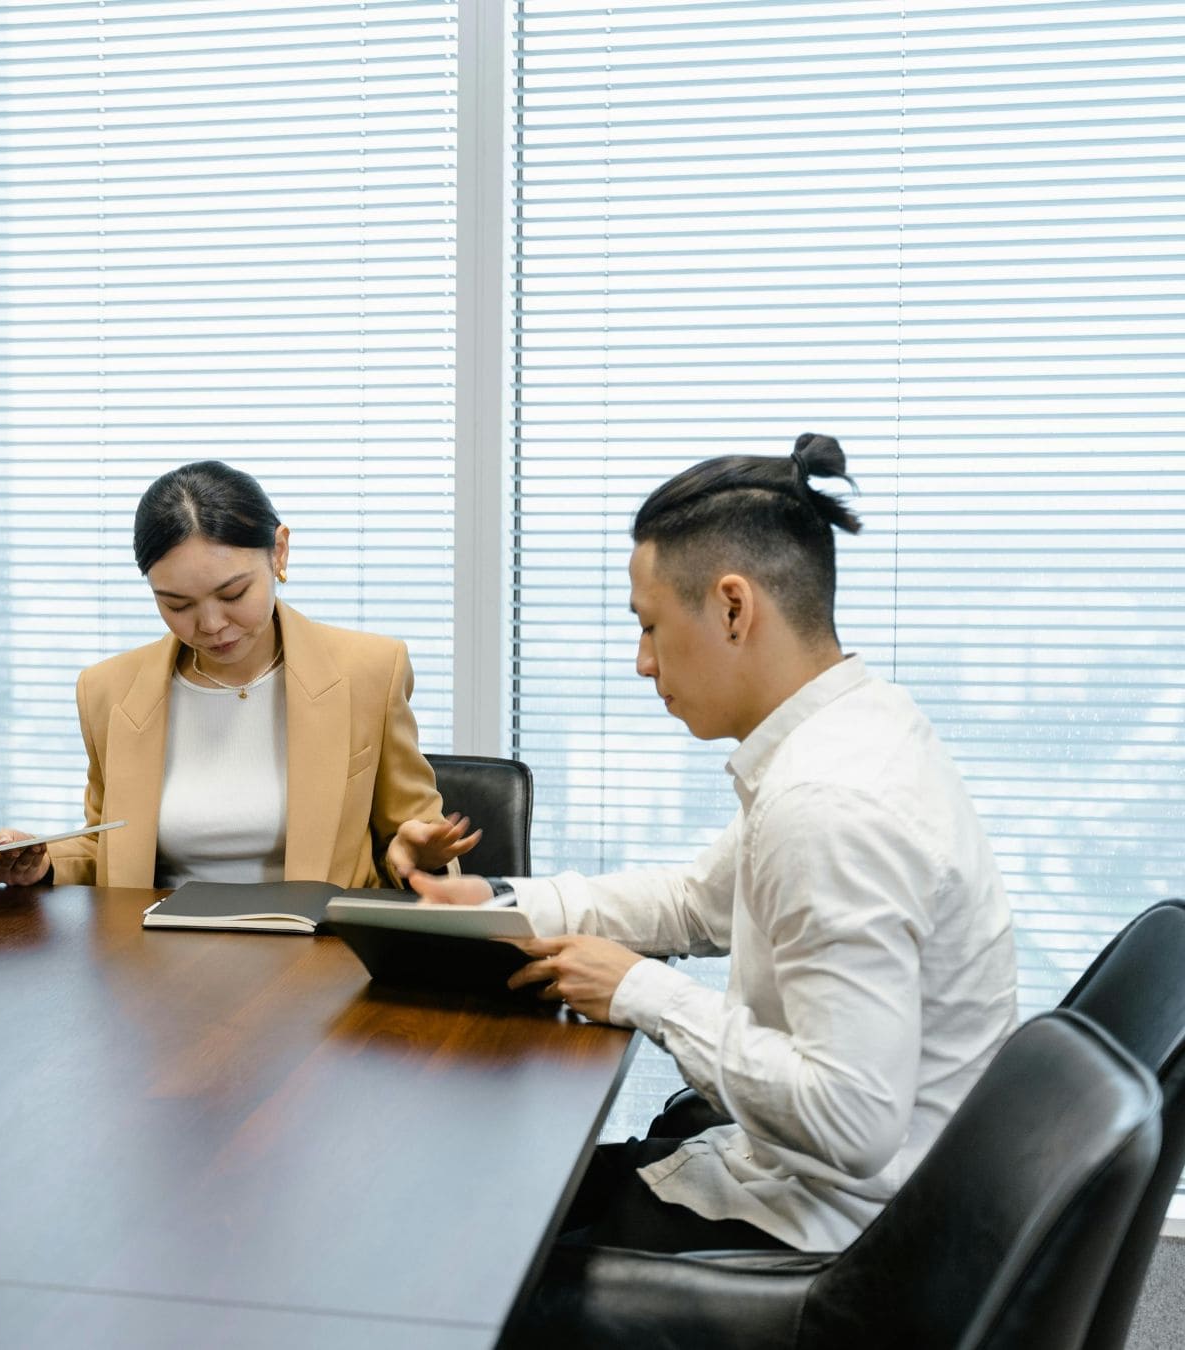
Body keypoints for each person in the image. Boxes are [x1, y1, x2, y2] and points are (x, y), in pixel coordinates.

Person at [413, 433, 1016, 1254]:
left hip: (833, 1238)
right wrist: (501, 900)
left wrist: (638, 992)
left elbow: (851, 1121)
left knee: (468, 1236)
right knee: (506, 1188)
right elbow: (699, 901)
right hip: (821, 1182)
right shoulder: (854, 730)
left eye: (652, 627)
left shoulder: (828, 801)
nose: (641, 662)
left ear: (734, 608)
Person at [0, 460, 476, 889]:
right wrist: (44, 862)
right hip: (155, 964)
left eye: (234, 594)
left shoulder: (369, 671)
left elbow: (413, 838)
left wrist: (415, 860)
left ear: (278, 553)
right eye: (177, 604)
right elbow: (104, 849)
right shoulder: (108, 690)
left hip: (321, 958)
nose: (212, 625)